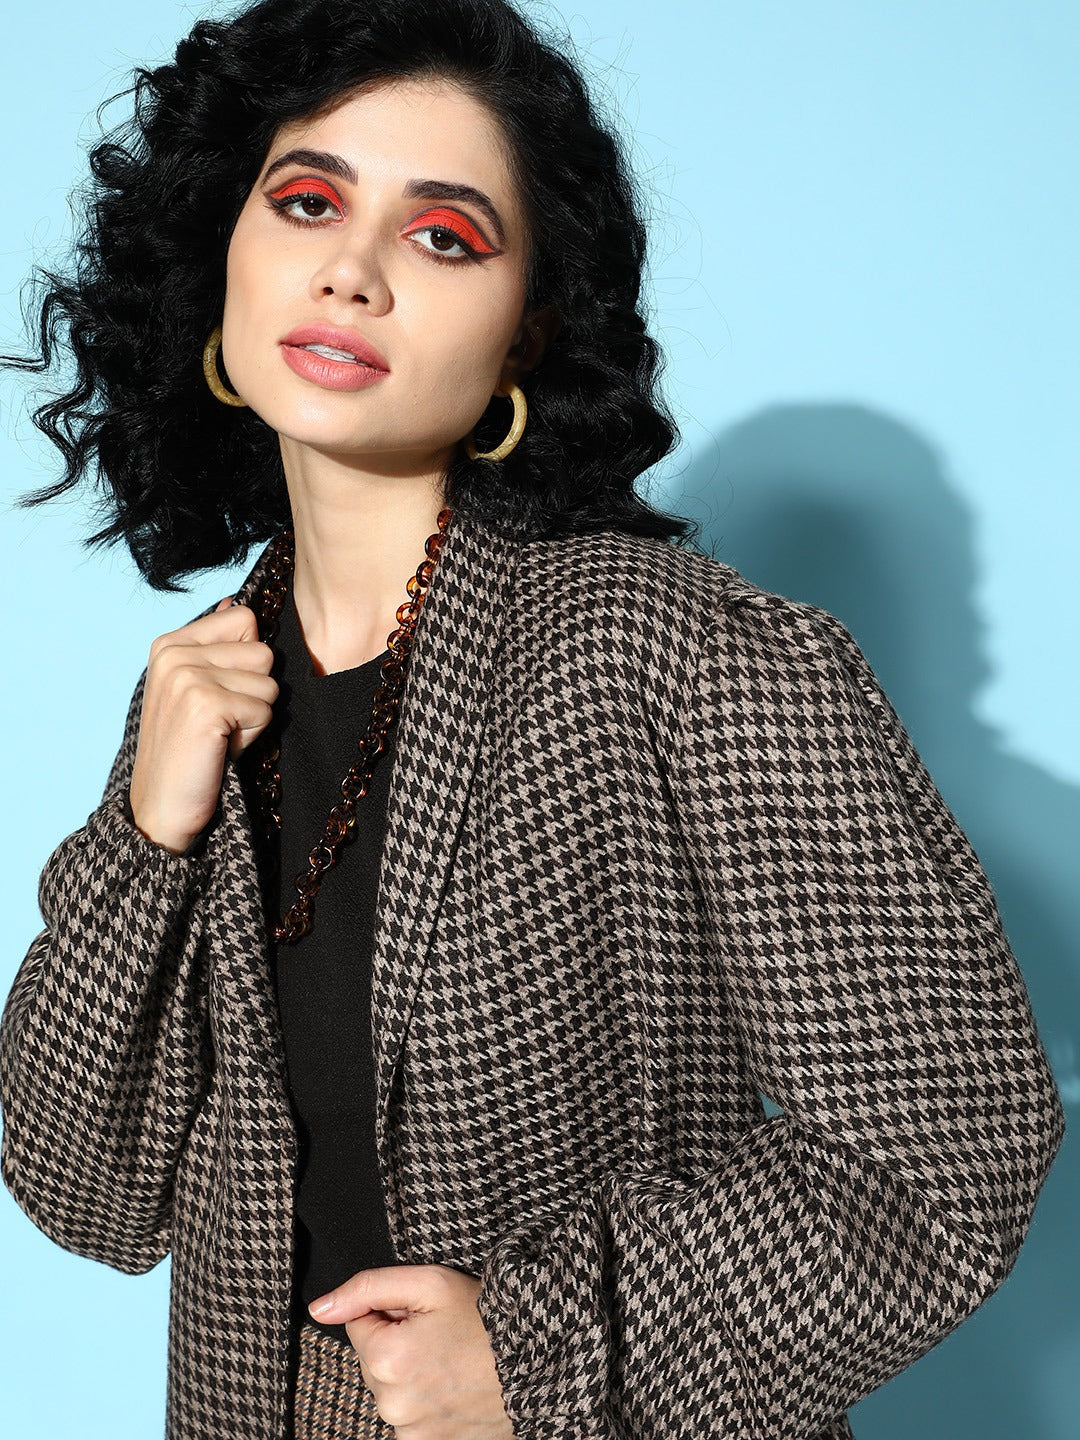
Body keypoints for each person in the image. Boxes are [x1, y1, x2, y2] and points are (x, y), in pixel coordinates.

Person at [0, 0, 1066, 1437]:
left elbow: (947, 1152)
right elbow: (83, 1192)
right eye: (307, 203)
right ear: (219, 259)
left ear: (525, 336)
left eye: (445, 237)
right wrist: (145, 845)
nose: (354, 271)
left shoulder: (671, 652)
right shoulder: (201, 689)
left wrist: (532, 1348)